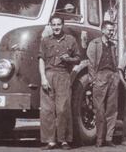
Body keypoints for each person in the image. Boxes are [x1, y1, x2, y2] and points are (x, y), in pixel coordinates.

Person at [38, 16, 80, 150]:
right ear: (50, 25)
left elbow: (78, 59)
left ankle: (63, 140)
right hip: (48, 75)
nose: (56, 27)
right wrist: (43, 78)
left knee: (63, 109)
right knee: (47, 110)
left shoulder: (71, 40)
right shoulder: (45, 41)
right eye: (54, 24)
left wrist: (69, 59)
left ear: (63, 25)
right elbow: (41, 60)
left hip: (63, 75)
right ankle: (50, 141)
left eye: (58, 24)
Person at [86, 21, 119, 147]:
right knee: (99, 109)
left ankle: (109, 138)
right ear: (103, 30)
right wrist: (93, 80)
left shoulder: (112, 45)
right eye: (109, 30)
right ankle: (99, 139)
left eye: (112, 30)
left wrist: (116, 76)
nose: (111, 32)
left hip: (112, 77)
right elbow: (90, 63)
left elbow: (115, 61)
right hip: (99, 76)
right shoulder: (94, 44)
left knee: (112, 109)